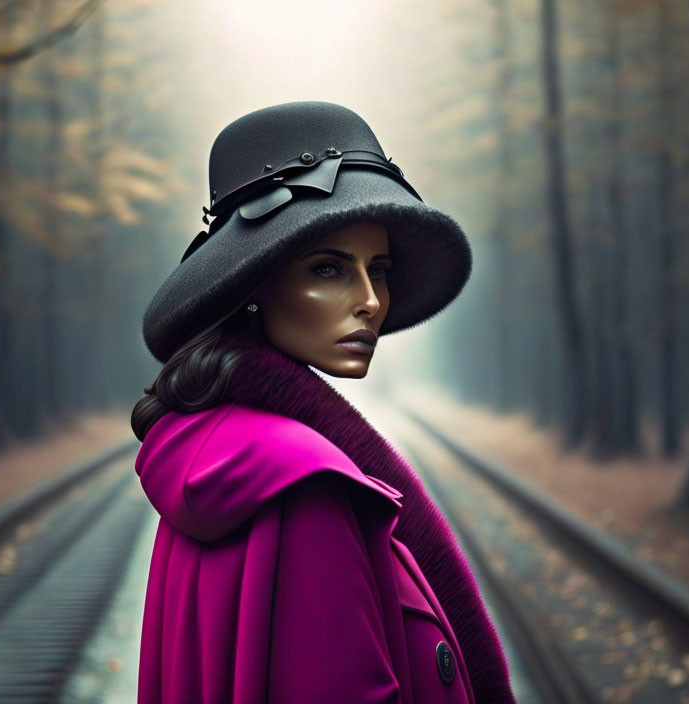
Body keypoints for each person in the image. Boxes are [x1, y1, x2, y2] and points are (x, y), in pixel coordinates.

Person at [131, 101, 516, 704]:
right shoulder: (311, 486)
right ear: (254, 285)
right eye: (330, 268)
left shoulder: (208, 451)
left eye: (379, 269)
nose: (370, 300)